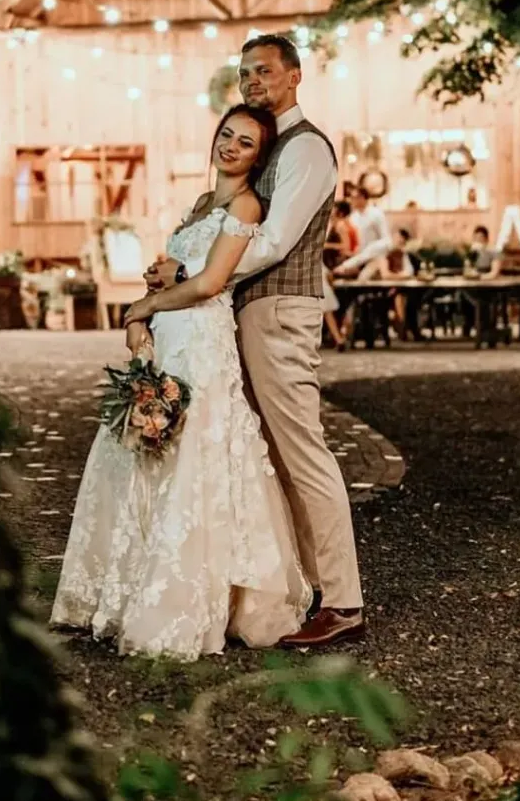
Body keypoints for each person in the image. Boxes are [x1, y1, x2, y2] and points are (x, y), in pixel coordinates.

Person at [50, 104, 311, 660]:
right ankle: (125, 589)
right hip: (169, 336)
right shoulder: (200, 204)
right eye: (226, 135)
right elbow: (177, 270)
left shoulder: (246, 204)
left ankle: (185, 602)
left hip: (202, 341)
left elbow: (210, 282)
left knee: (197, 456)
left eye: (245, 143)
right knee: (145, 451)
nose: (231, 147)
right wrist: (147, 311)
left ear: (257, 157)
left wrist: (140, 305)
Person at [144, 34, 364, 649]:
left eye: (264, 71)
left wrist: (194, 276)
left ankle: (345, 602)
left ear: (296, 75)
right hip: (246, 309)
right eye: (244, 75)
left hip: (280, 309)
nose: (252, 82)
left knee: (303, 450)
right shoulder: (266, 149)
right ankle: (315, 587)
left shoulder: (307, 149)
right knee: (271, 455)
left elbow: (272, 243)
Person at [333, 186, 392, 278]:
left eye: (354, 197)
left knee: (363, 278)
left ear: (363, 198)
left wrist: (372, 249)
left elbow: (386, 240)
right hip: (358, 257)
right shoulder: (354, 217)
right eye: (351, 197)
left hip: (375, 256)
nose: (352, 200)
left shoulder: (376, 214)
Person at [322, 201, 356, 350]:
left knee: (327, 304)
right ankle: (336, 337)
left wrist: (325, 246)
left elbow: (346, 247)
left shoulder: (341, 225)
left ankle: (338, 337)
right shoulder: (334, 225)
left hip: (332, 267)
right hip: (327, 267)